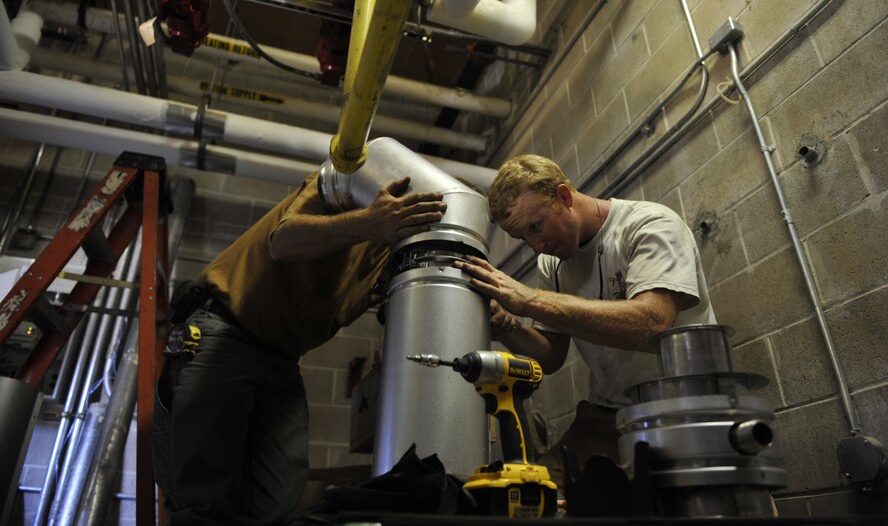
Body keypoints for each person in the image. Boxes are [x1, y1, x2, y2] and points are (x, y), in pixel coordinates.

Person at [152, 171, 447, 525]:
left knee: (274, 499)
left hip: (282, 357)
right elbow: (284, 242)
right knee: (204, 499)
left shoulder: (396, 255)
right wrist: (370, 223)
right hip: (228, 330)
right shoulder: (350, 187)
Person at [454, 154, 716, 485]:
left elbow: (653, 325)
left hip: (684, 406)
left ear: (564, 196)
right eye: (525, 238)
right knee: (535, 489)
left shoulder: (649, 225)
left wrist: (529, 299)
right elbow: (551, 356)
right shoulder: (553, 264)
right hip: (608, 414)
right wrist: (507, 327)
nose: (537, 247)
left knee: (677, 502)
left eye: (536, 227)